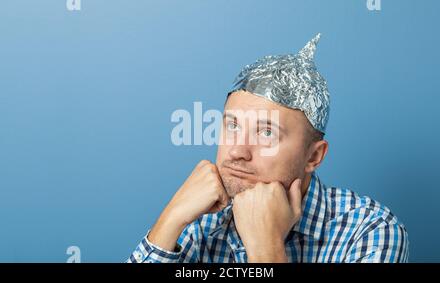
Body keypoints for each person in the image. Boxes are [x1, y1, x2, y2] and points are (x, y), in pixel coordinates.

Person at [127, 34, 409, 263]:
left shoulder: (370, 230)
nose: (237, 151)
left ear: (314, 156)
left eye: (266, 132)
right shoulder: (201, 219)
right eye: (233, 126)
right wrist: (170, 219)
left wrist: (265, 247)